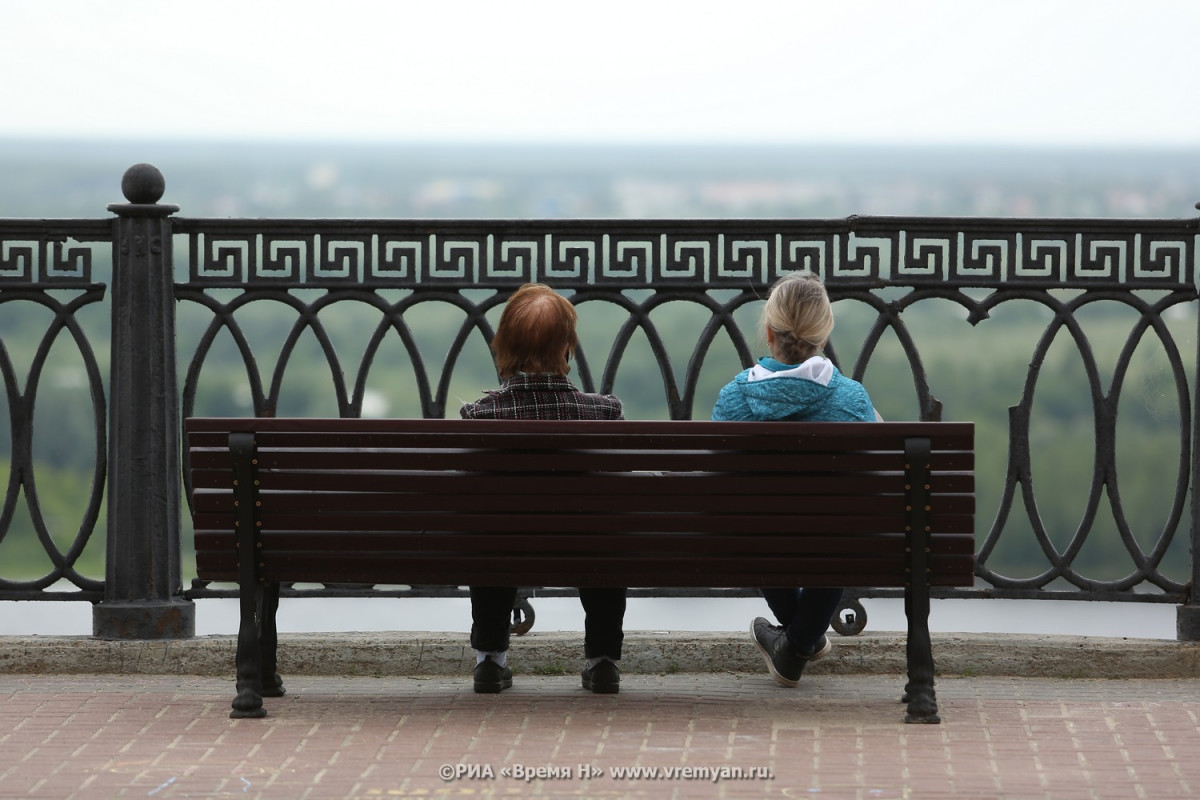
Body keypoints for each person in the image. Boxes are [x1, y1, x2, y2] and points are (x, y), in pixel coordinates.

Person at [711, 271, 878, 687]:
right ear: (824, 334)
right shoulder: (852, 400)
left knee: (757, 523)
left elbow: (721, 484)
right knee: (839, 533)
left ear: (768, 331)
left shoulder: (733, 399)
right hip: (832, 543)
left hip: (760, 542)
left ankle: (799, 643)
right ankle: (800, 642)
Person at [459, 283, 627, 694]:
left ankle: (490, 659)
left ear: (503, 347)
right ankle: (602, 659)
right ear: (568, 347)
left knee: (489, 537)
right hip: (586, 548)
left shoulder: (480, 416)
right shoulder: (604, 413)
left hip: (503, 548)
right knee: (605, 537)